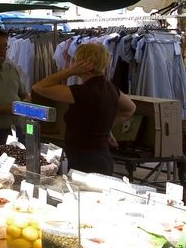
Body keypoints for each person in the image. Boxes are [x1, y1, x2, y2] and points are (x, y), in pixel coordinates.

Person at [32, 43, 136, 175]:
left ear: (82, 63)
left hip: (84, 159)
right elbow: (130, 109)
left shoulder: (83, 92)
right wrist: (106, 126)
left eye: (75, 60)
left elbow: (39, 87)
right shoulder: (111, 88)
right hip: (102, 156)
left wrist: (69, 71)